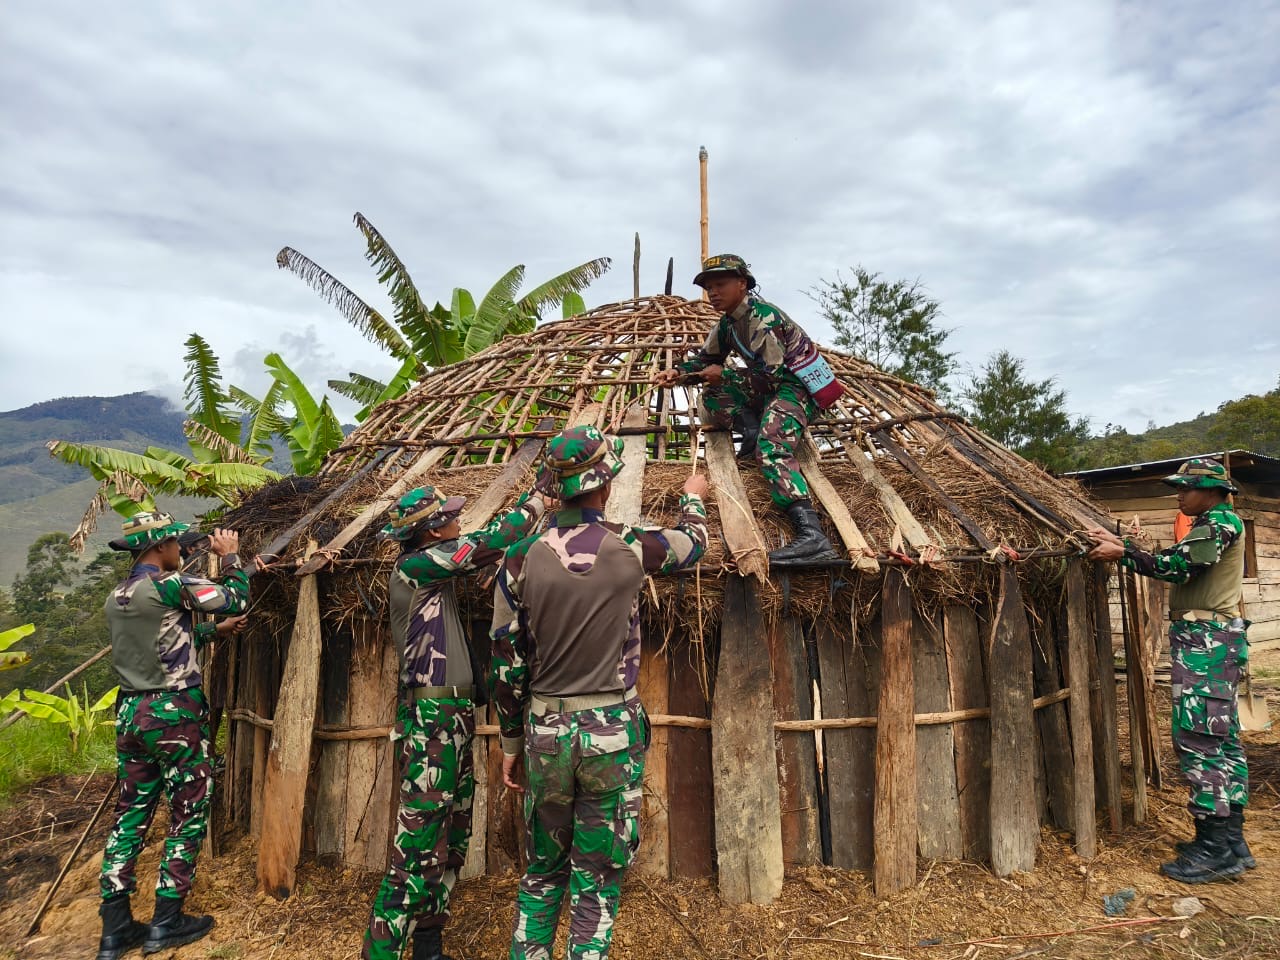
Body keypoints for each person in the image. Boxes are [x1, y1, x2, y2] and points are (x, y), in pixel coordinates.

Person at [489, 425, 708, 960]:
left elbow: (506, 664)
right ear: (605, 485)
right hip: (610, 732)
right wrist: (693, 498)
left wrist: (512, 746)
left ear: (554, 489)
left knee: (542, 872)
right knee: (597, 880)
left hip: (545, 734)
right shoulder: (631, 547)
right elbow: (694, 545)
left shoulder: (517, 559)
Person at [362, 485, 547, 960]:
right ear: (430, 531)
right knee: (418, 843)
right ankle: (379, 952)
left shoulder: (434, 576)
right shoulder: (414, 567)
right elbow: (491, 540)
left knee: (452, 837)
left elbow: (484, 559)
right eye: (448, 518)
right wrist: (538, 499)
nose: (456, 522)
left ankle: (427, 944)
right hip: (431, 720)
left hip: (451, 718)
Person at [1087, 458, 1254, 884]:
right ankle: (1232, 841)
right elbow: (1176, 556)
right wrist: (1122, 542)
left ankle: (1213, 850)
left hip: (1207, 642)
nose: (1178, 494)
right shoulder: (1216, 523)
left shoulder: (1218, 524)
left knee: (1200, 740)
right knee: (1223, 739)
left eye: (1186, 487)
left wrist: (1122, 554)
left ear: (1212, 490)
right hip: (1215, 639)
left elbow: (1178, 566)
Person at [96, 512, 250, 959]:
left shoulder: (119, 594)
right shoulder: (170, 584)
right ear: (161, 547)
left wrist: (208, 632)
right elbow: (236, 599)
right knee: (187, 812)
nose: (182, 550)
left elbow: (160, 640)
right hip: (174, 716)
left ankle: (116, 928)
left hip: (130, 715)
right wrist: (232, 557)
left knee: (130, 816)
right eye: (178, 544)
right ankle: (167, 922)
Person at [655, 253, 841, 563]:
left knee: (772, 449)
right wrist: (678, 373)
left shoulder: (762, 319)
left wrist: (724, 373)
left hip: (796, 389)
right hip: (769, 387)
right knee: (714, 395)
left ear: (742, 284)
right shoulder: (728, 324)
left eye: (720, 284)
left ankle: (813, 535)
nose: (713, 292)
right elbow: (706, 361)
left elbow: (774, 372)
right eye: (708, 287)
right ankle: (752, 430)